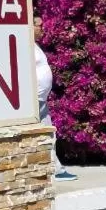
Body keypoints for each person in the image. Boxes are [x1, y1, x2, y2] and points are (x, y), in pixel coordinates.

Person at [34, 15, 77, 182]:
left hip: (41, 100)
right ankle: (55, 169)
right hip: (34, 101)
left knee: (49, 133)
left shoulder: (35, 46)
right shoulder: (25, 45)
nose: (42, 29)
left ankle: (56, 169)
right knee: (45, 133)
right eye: (39, 26)